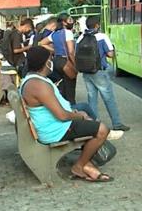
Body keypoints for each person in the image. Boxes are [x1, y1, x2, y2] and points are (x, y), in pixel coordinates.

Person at [21, 46, 113, 182]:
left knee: (87, 115)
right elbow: (62, 116)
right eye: (50, 59)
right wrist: (80, 115)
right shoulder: (38, 85)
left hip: (53, 125)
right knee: (102, 130)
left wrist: (75, 113)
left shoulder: (32, 79)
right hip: (55, 129)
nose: (51, 61)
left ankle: (87, 162)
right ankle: (80, 166)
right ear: (44, 63)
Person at [77, 16, 130, 131]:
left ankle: (94, 124)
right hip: (99, 71)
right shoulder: (102, 36)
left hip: (86, 72)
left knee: (92, 98)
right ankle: (116, 123)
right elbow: (110, 54)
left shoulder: (81, 37)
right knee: (108, 98)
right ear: (97, 25)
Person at [39, 14, 77, 104]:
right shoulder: (68, 32)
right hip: (66, 61)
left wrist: (55, 50)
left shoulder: (54, 34)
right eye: (69, 20)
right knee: (70, 88)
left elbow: (41, 43)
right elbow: (71, 52)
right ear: (64, 22)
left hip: (56, 61)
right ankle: (72, 109)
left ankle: (63, 106)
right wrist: (75, 65)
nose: (71, 22)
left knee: (62, 86)